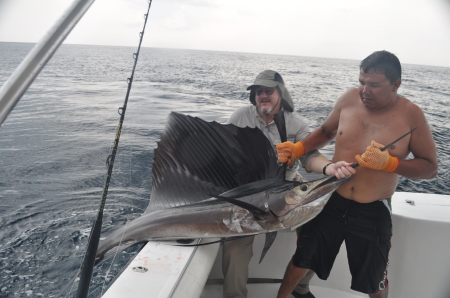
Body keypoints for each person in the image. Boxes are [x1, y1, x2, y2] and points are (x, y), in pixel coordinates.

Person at [275, 51, 438, 298]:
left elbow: (430, 168)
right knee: (302, 258)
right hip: (333, 196)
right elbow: (326, 131)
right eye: (362, 82)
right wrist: (298, 148)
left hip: (372, 209)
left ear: (396, 84)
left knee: (375, 279)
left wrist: (391, 164)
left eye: (374, 85)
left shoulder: (411, 114)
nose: (364, 90)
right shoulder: (349, 99)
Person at [223, 70, 356, 298]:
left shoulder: (296, 124)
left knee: (323, 231)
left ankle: (300, 287)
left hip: (288, 188)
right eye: (258, 91)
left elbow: (310, 156)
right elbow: (224, 155)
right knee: (235, 247)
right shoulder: (240, 117)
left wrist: (328, 168)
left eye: (268, 91)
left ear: (280, 94)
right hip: (250, 192)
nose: (262, 95)